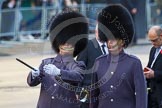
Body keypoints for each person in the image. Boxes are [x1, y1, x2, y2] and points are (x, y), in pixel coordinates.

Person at [27, 10, 89, 108]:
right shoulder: (46, 63)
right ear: (58, 43)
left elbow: (77, 76)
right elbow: (32, 83)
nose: (66, 45)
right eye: (63, 42)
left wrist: (59, 72)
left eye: (69, 44)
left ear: (75, 46)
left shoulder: (78, 65)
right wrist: (33, 75)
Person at [90, 4, 147, 108]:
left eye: (113, 39)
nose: (109, 43)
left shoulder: (133, 63)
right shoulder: (99, 62)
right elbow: (94, 95)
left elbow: (141, 96)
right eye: (107, 39)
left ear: (122, 41)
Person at [76, 24, 108, 108]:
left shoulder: (111, 46)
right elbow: (78, 70)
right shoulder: (87, 45)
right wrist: (77, 91)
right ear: (95, 32)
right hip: (88, 91)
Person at [144, 25, 162, 108]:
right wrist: (145, 71)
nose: (152, 43)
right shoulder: (153, 49)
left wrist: (155, 74)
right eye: (150, 41)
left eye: (154, 40)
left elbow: (155, 72)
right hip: (152, 94)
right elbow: (150, 66)